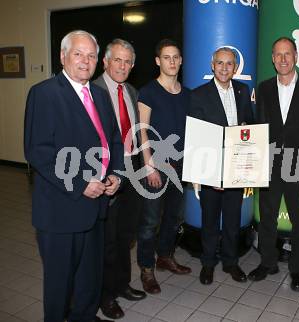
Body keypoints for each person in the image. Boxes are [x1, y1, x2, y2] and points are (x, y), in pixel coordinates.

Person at [24, 30, 124, 322]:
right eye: (78, 54)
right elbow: (39, 151)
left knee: (89, 278)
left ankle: (84, 316)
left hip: (97, 207)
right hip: (61, 208)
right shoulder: (44, 94)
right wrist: (81, 184)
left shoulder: (101, 95)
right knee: (60, 282)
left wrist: (116, 175)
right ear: (62, 56)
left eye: (91, 55)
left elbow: (114, 140)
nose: (85, 61)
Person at [249, 37, 299, 292]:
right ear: (272, 58)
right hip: (269, 162)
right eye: (278, 54)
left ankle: (297, 270)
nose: (282, 59)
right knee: (267, 216)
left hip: (298, 164)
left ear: (296, 56)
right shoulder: (264, 88)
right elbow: (259, 128)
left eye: (287, 54)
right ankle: (268, 262)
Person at [189, 47, 254, 285]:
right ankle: (208, 264)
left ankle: (230, 262)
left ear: (235, 68)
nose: (224, 68)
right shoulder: (198, 95)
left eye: (229, 64)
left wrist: (247, 126)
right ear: (212, 65)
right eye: (220, 63)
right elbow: (196, 137)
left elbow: (249, 121)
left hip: (236, 168)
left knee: (232, 219)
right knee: (209, 220)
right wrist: (209, 173)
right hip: (211, 169)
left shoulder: (242, 90)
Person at [94, 39, 146, 319]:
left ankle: (122, 284)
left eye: (127, 62)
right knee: (107, 241)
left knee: (126, 235)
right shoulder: (93, 91)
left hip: (132, 172)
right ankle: (105, 295)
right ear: (105, 61)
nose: (122, 66)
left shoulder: (132, 92)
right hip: (107, 176)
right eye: (117, 60)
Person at [137, 39, 191, 294]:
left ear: (181, 60)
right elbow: (142, 132)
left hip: (181, 168)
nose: (172, 61)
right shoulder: (148, 91)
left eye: (176, 57)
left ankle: (165, 256)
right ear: (158, 61)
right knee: (150, 222)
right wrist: (149, 167)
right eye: (166, 57)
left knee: (175, 217)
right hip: (155, 165)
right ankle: (146, 269)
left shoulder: (187, 93)